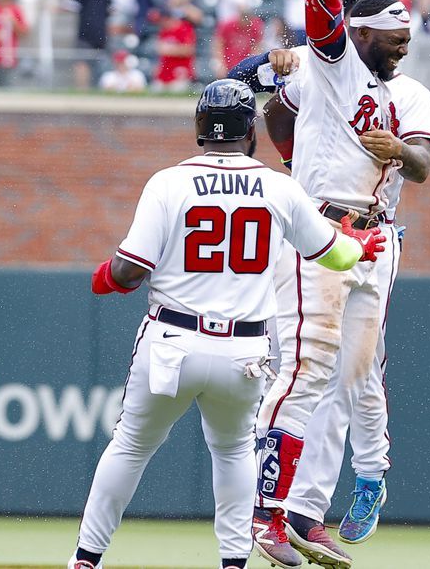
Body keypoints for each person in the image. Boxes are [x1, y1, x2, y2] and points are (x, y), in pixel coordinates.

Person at [66, 78, 386, 569]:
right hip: (244, 353)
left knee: (129, 448)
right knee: (235, 454)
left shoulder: (168, 182)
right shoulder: (280, 187)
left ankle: (86, 559)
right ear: (249, 132)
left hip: (173, 341)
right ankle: (233, 563)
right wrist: (359, 246)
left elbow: (129, 271)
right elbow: (336, 255)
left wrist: (105, 277)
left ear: (200, 130)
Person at [246, 0, 430, 567]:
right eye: (394, 35)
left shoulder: (397, 93)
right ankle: (272, 512)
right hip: (317, 229)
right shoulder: (326, 58)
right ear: (359, 32)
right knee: (304, 374)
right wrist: (274, 71)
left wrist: (397, 151)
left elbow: (421, 164)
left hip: (372, 235)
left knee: (346, 374)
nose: (404, 45)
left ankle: (327, 496)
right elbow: (258, 78)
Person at [66, 0, 112, 90]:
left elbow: (72, 6)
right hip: (101, 32)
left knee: (82, 62)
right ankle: (97, 89)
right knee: (98, 62)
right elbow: (111, 9)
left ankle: (82, 90)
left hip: (85, 31)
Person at [150, 7, 195, 92]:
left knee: (177, 90)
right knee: (155, 90)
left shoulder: (184, 28)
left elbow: (188, 50)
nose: (160, 23)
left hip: (180, 72)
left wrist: (170, 49)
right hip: (165, 73)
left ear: (167, 18)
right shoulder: (163, 31)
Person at [214, 7, 265, 77]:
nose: (244, 22)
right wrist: (220, 63)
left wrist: (252, 64)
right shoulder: (228, 25)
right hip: (228, 65)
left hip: (244, 66)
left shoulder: (255, 27)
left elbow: (257, 46)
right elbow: (218, 44)